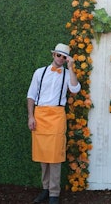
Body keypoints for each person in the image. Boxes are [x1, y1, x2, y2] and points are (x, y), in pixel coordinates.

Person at [27, 43, 81, 204]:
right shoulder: (39, 73)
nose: (61, 59)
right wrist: (31, 116)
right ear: (53, 55)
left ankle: (54, 194)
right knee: (43, 155)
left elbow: (75, 89)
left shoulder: (66, 74)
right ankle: (46, 189)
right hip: (40, 116)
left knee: (56, 156)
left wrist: (71, 68)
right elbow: (31, 95)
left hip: (57, 116)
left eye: (64, 57)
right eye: (59, 55)